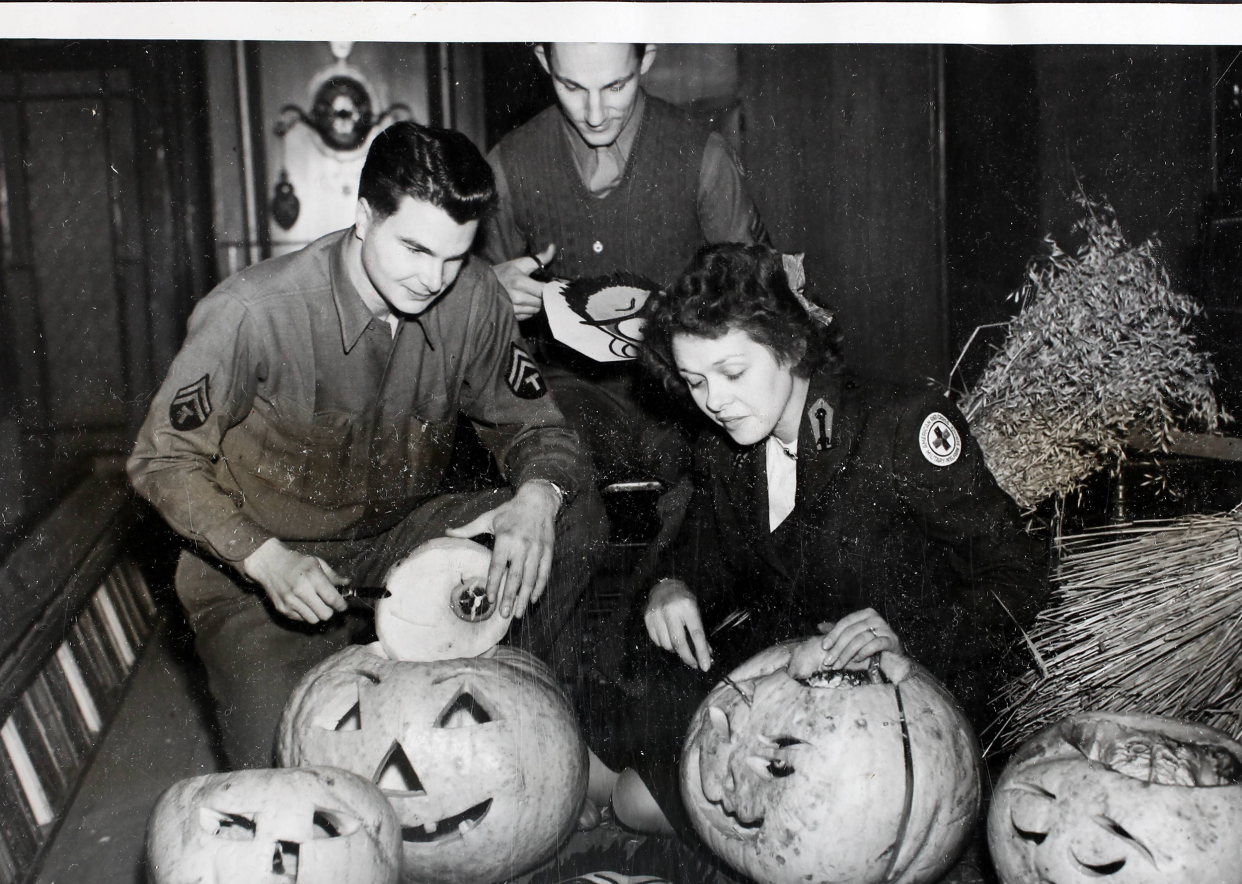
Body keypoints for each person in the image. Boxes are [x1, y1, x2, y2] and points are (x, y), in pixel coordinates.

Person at [128, 121, 606, 770]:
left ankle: (495, 704)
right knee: (294, 783)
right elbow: (162, 459)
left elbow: (536, 428)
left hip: (395, 542)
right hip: (258, 567)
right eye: (413, 248)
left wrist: (536, 496)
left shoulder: (473, 299)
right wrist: (266, 561)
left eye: (454, 255)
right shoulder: (252, 312)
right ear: (362, 216)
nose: (433, 278)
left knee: (567, 513)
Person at [588, 243, 1051, 835]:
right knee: (598, 762)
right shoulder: (726, 447)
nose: (715, 402)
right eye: (694, 381)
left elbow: (1021, 571)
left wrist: (907, 632)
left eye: (733, 373)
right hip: (790, 690)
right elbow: (703, 551)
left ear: (790, 346)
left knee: (634, 801)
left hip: (906, 709)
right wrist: (669, 584)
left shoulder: (900, 426)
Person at [479, 42, 768, 490]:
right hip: (568, 399)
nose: (595, 113)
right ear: (542, 61)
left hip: (688, 393)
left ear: (646, 58)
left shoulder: (704, 158)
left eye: (615, 85)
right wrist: (487, 290)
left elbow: (760, 308)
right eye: (571, 86)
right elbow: (468, 333)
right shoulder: (508, 165)